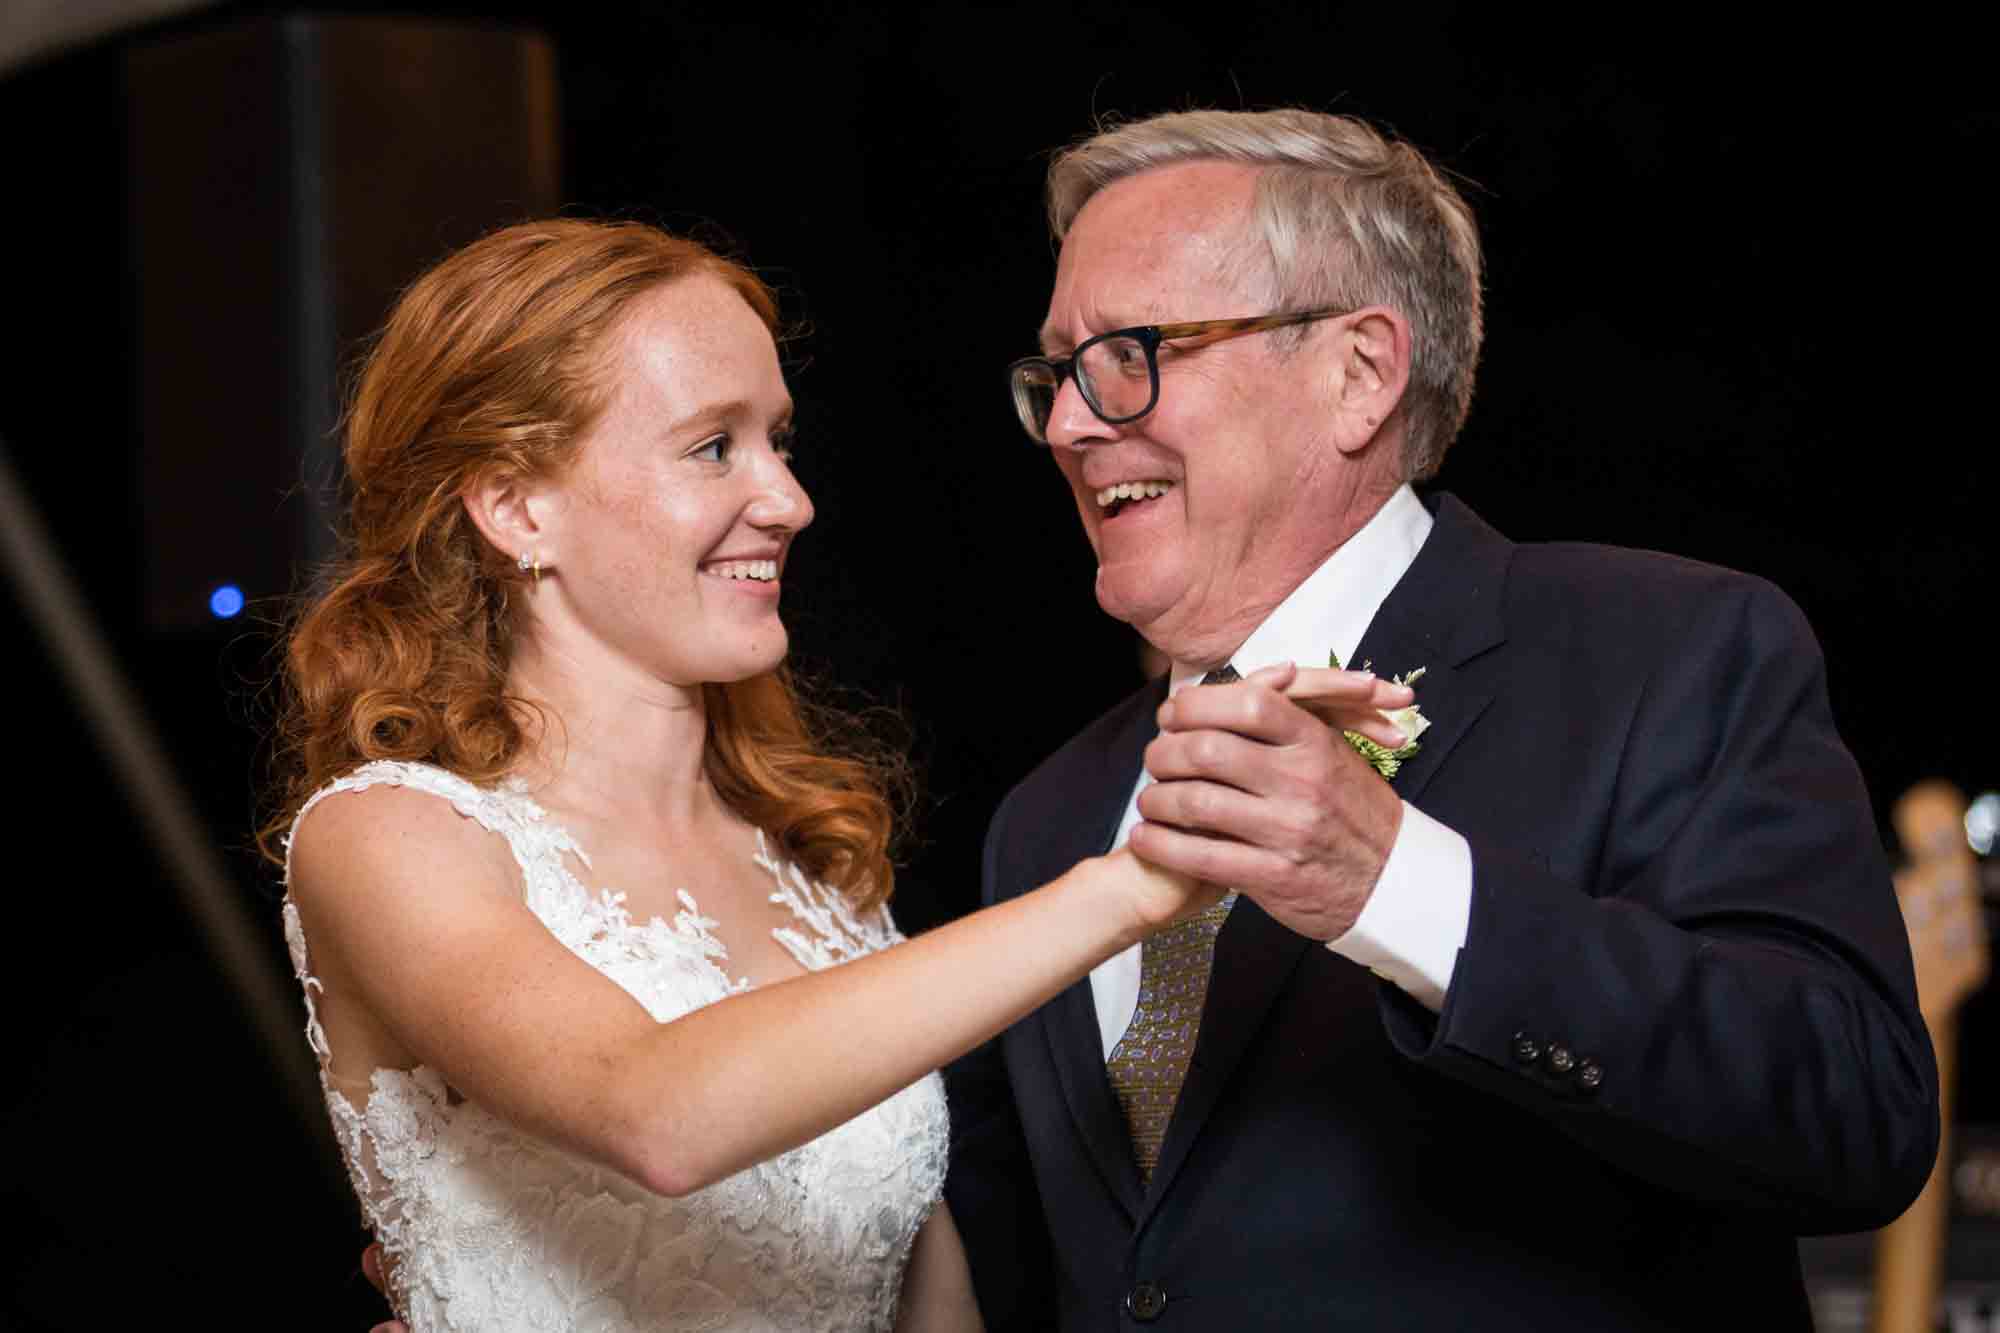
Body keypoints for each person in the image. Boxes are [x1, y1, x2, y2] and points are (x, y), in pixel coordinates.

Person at [266, 217, 1425, 1332]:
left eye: (779, 440)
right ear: (516, 505)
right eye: (712, 445)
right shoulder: (389, 837)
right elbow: (653, 1109)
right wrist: (1138, 881)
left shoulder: (808, 870)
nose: (787, 499)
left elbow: (926, 1294)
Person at [946, 108, 1940, 1330]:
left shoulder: (1671, 652)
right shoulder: (1043, 817)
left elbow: (1853, 1117)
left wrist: (1398, 886)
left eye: (1132, 352)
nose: (1069, 423)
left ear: (1357, 372)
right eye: (1058, 371)